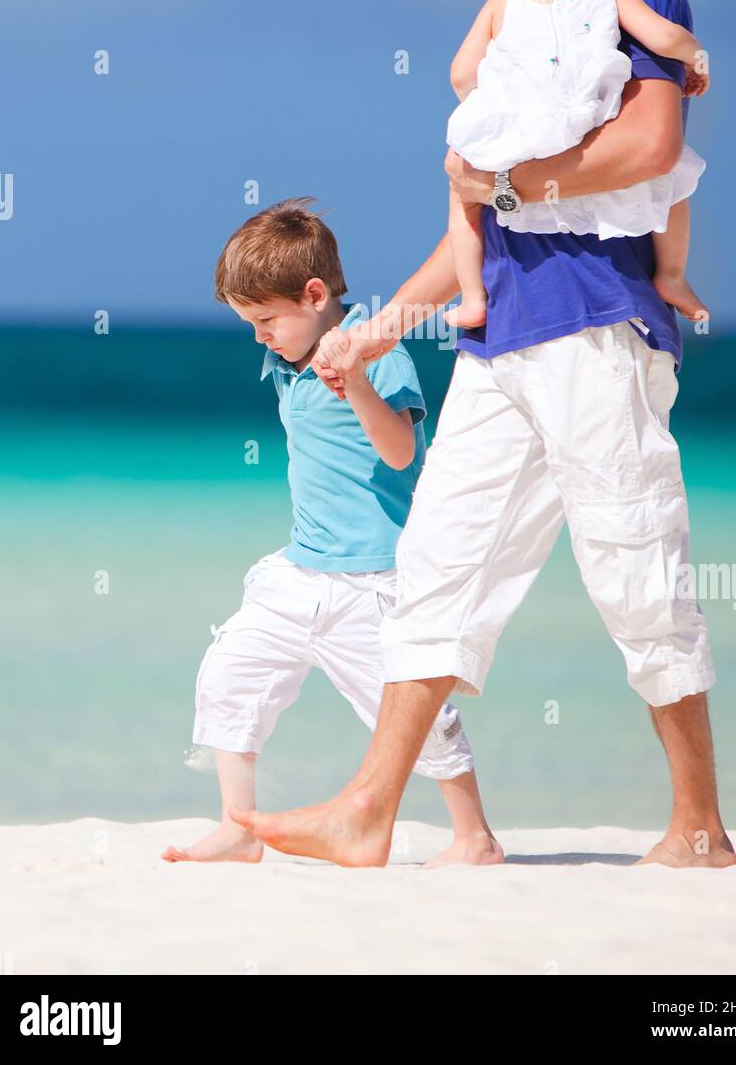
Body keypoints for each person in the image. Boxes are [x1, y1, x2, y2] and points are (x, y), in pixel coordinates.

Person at [229, 0, 736, 871]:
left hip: (593, 324)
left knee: (632, 564)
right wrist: (380, 326)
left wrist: (508, 187)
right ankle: (369, 808)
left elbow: (648, 147)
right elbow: (479, 213)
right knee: (439, 572)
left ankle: (697, 825)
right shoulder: (513, 10)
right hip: (498, 332)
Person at [162, 198, 501, 867]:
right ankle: (238, 827)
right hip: (300, 570)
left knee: (413, 714)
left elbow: (401, 452)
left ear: (315, 295)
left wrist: (358, 384)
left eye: (265, 321)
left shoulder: (384, 357)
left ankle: (474, 837)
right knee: (229, 675)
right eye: (248, 323)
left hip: (375, 577)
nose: (260, 336)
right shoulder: (287, 365)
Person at [445, 0, 710, 330]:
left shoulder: (503, 0)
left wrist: (488, 106)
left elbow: (461, 73)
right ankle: (671, 274)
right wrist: (697, 60)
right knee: (673, 181)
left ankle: (472, 298)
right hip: (586, 124)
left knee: (461, 190)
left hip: (521, 133)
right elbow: (666, 37)